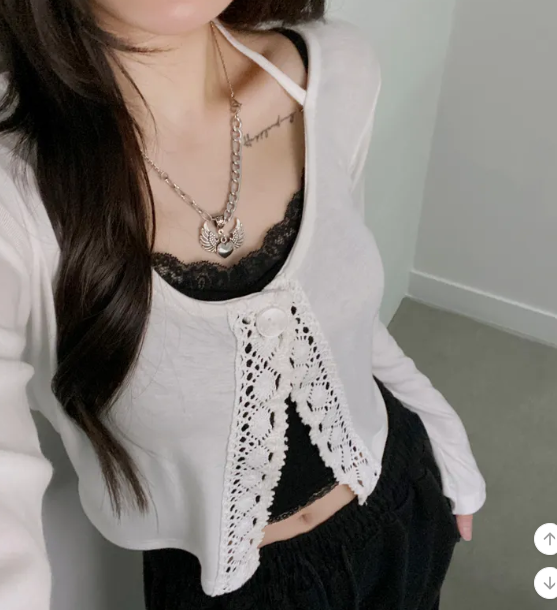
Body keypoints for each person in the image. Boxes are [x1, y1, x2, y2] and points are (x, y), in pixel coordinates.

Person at [0, 1, 486, 608]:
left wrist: (443, 431)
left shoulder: (335, 69)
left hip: (403, 510)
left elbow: (347, 322)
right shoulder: (16, 193)